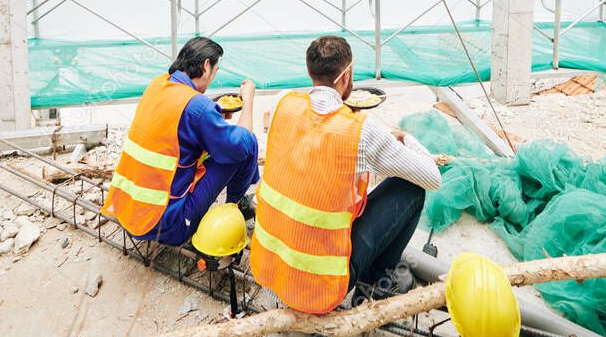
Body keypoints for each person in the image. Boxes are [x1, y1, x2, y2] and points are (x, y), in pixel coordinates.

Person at [250, 35, 441, 314]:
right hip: (319, 287)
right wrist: (406, 139)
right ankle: (375, 285)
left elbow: (314, 134)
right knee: (410, 189)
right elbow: (432, 177)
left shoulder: (282, 103)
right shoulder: (361, 131)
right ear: (346, 75)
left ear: (309, 72)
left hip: (269, 266)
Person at [102, 36, 259, 246]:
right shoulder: (198, 108)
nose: (213, 77)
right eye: (215, 71)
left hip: (129, 213)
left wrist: (211, 115)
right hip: (168, 226)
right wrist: (248, 101)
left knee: (219, 145)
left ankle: (235, 203)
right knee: (247, 145)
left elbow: (175, 126)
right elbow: (242, 142)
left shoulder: (157, 85)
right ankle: (235, 207)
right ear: (206, 66)